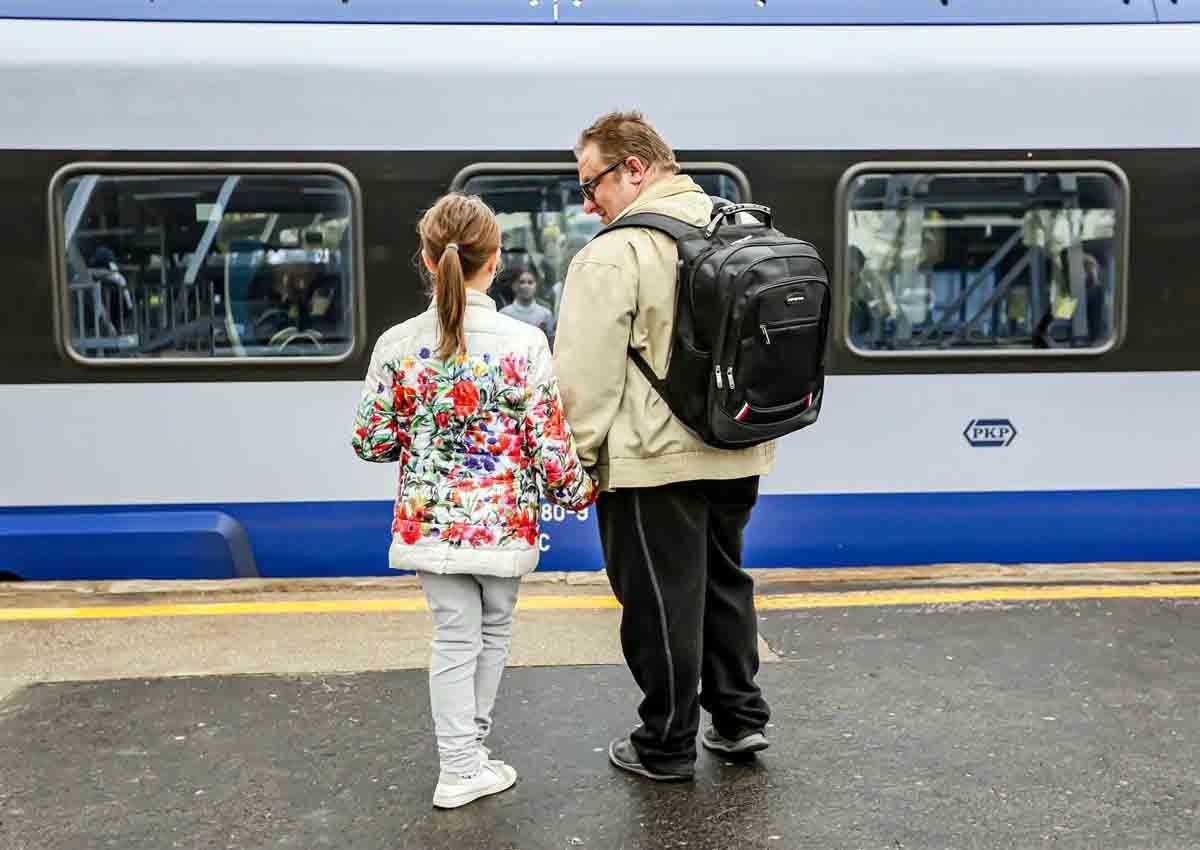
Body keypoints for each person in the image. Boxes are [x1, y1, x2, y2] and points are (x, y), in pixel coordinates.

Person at [351, 193, 597, 808]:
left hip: (430, 522)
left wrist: (429, 431)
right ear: (496, 262)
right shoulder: (525, 342)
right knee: (492, 634)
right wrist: (584, 491)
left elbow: (371, 441)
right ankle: (467, 761)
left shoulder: (397, 344)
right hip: (502, 527)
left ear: (429, 261)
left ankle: (463, 762)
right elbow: (548, 445)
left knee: (453, 637)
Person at [554, 111, 775, 782]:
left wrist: (579, 463)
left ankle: (666, 744)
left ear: (637, 169)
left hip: (652, 464)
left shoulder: (615, 253)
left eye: (593, 184)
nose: (588, 203)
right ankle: (739, 721)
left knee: (661, 601)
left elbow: (583, 381)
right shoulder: (743, 226)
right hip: (738, 449)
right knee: (724, 581)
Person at [500, 267, 556, 347]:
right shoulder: (504, 314)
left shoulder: (545, 314)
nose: (526, 286)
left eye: (530, 282)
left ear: (536, 285)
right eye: (522, 282)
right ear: (514, 286)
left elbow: (550, 343)